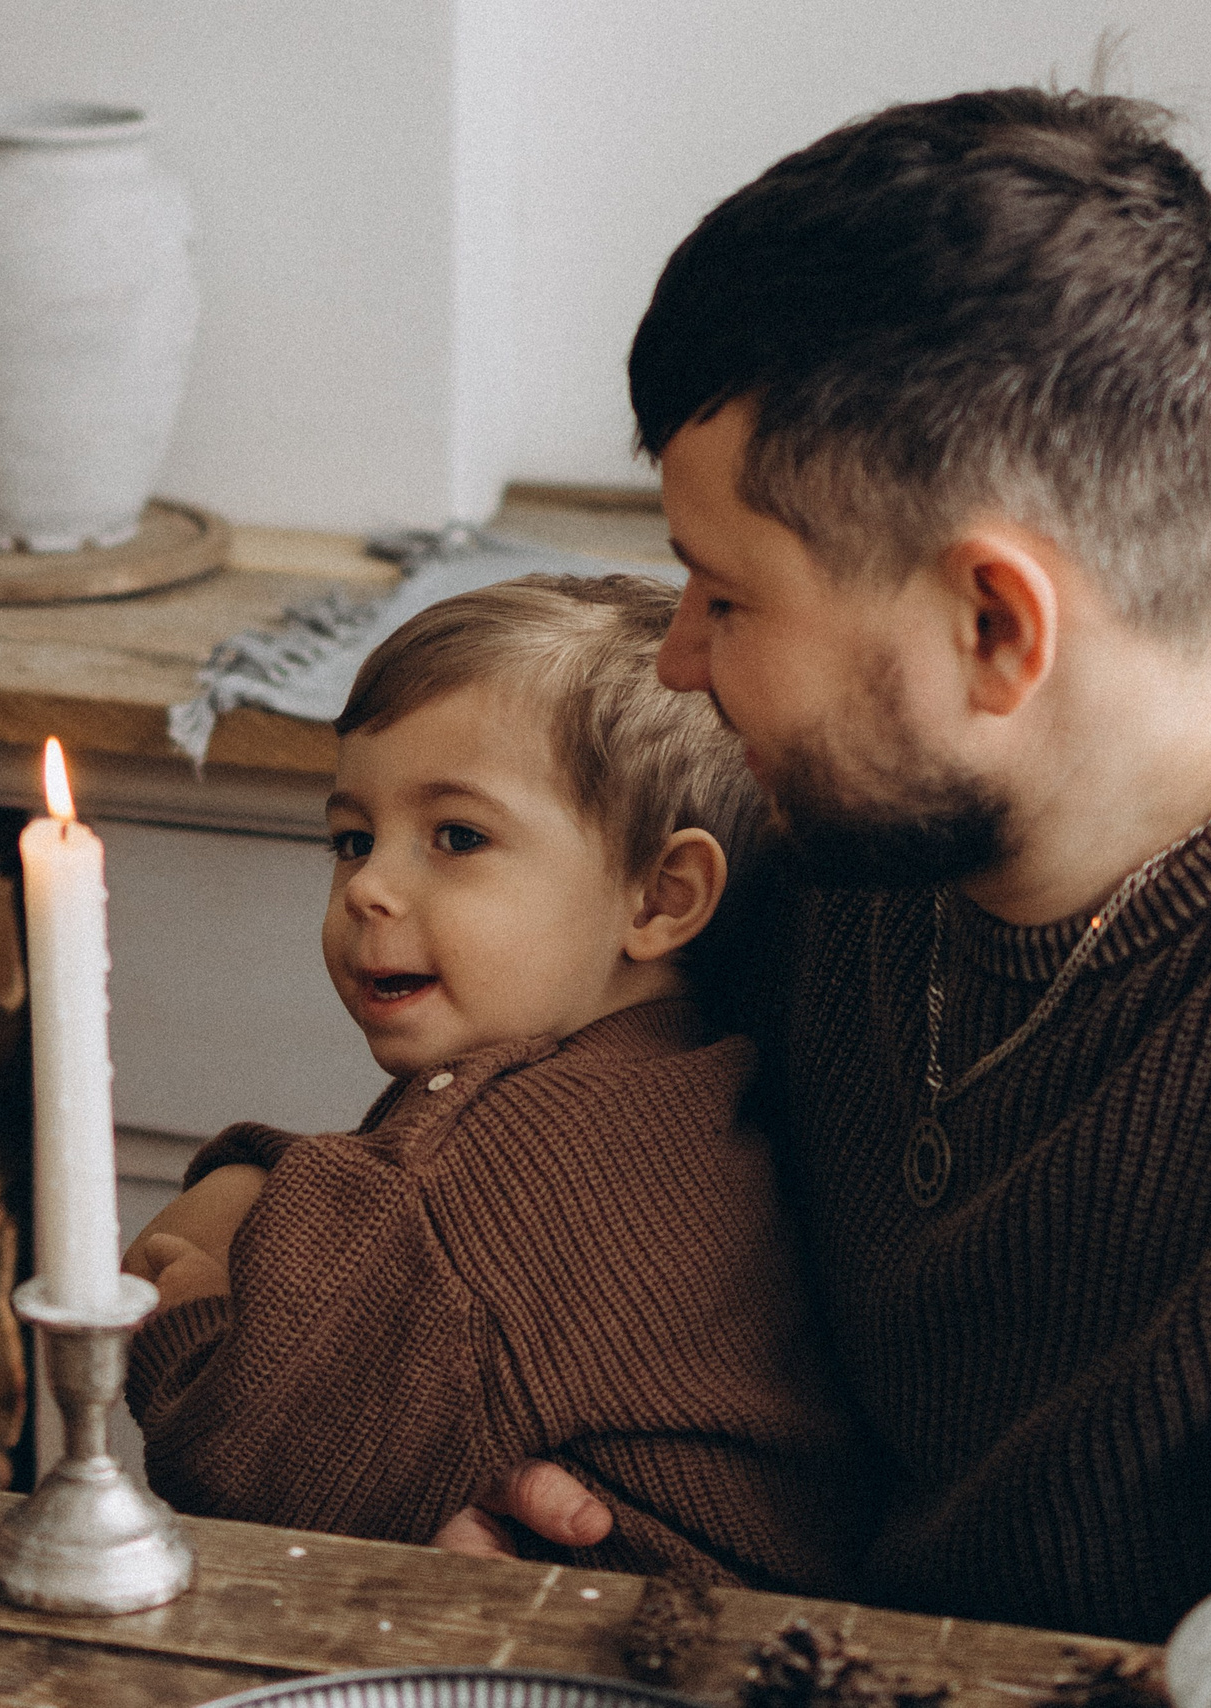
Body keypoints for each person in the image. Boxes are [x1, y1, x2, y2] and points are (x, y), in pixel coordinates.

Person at [443, 88, 1211, 1640]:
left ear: (997, 628)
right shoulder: (848, 814)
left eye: (726, 596)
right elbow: (534, 1120)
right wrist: (276, 1229)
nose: (679, 659)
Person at [122, 575, 863, 1588]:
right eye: (352, 838)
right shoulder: (675, 1074)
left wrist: (189, 1306)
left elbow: (245, 1460)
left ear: (659, 894)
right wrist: (253, 1181)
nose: (370, 886)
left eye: (456, 837)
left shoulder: (503, 1160)